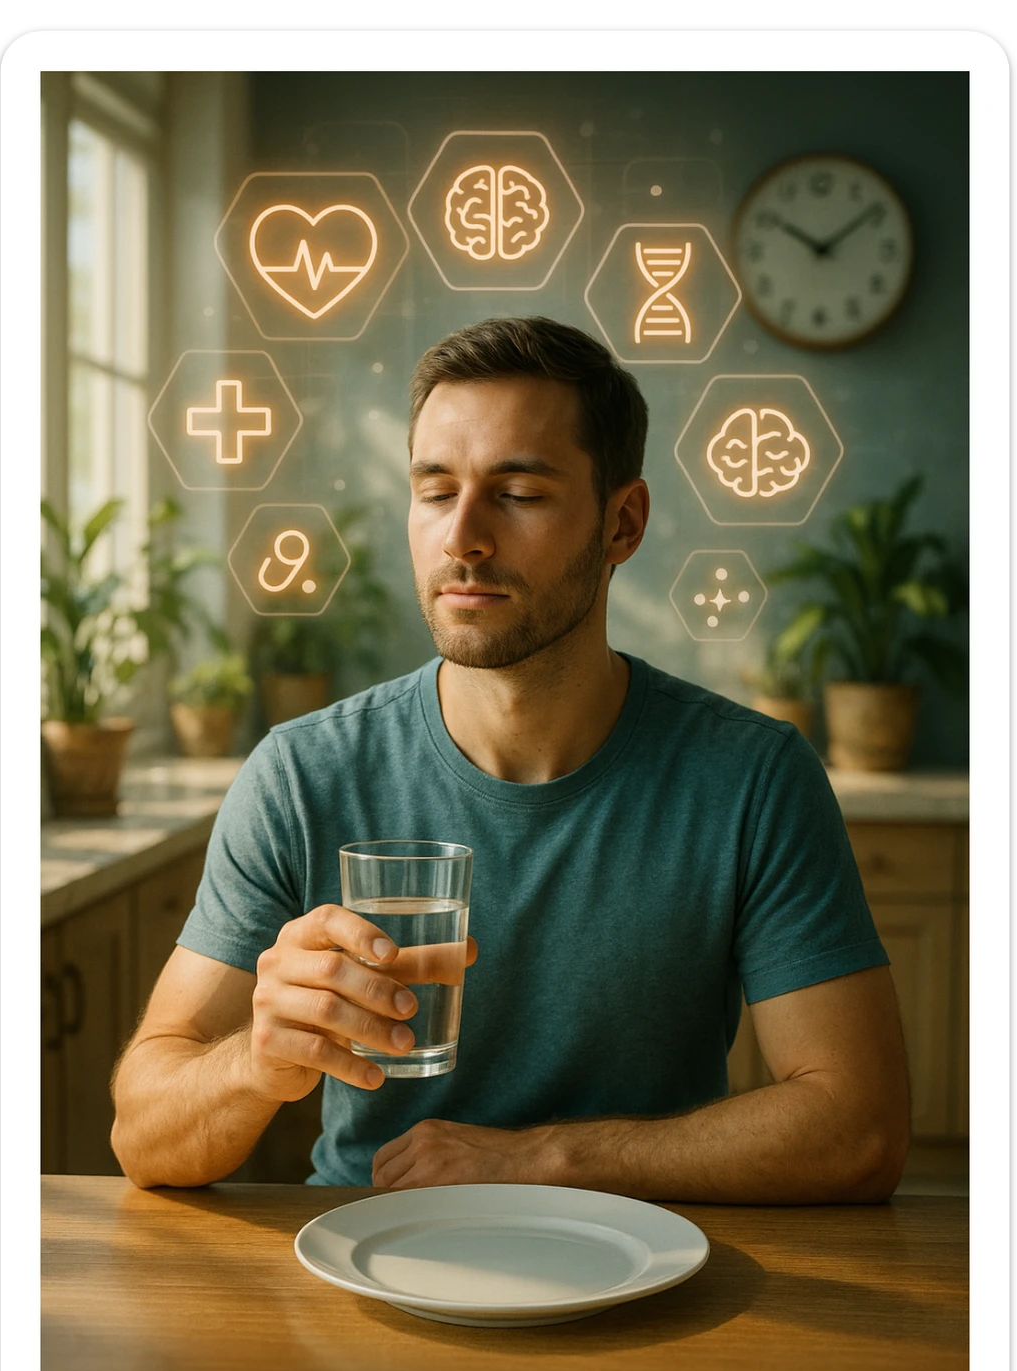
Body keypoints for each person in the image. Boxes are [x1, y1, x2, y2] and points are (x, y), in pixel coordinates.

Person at [111, 316, 910, 1201]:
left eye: (519, 493)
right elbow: (143, 1137)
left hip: (653, 1274)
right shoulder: (302, 775)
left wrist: (542, 1162)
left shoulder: (752, 779)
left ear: (623, 522)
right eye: (434, 490)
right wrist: (253, 1063)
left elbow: (860, 1127)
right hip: (364, 1263)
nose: (463, 537)